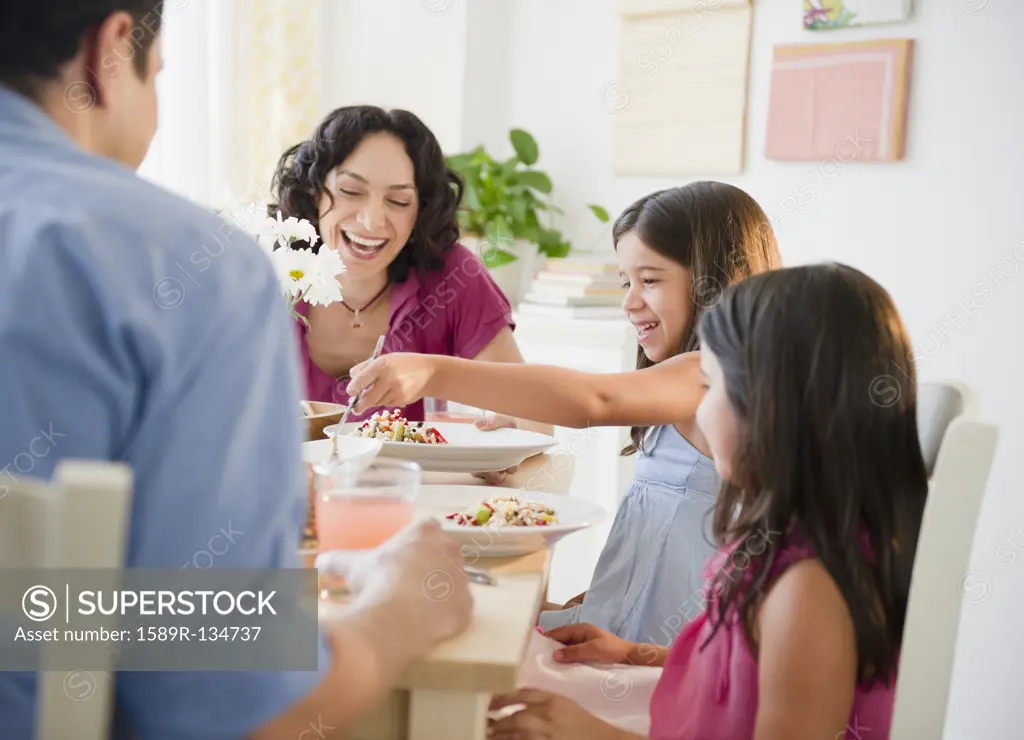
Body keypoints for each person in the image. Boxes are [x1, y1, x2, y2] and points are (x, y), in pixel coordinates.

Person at [0, 4, 472, 738]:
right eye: (159, 77)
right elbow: (231, 708)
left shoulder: (447, 279)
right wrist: (400, 608)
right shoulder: (183, 265)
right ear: (113, 51)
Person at [486, 263, 930, 740]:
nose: (699, 407)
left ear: (775, 408)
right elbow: (743, 668)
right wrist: (637, 652)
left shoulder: (811, 591)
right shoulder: (788, 539)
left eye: (711, 385)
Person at [346, 182, 782, 644]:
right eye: (626, 281)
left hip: (655, 659)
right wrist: (592, 598)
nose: (630, 301)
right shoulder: (682, 388)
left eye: (650, 280)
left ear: (723, 277)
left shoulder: (716, 375)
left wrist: (432, 372)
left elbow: (595, 400)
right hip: (621, 630)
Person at [267, 105, 551, 435]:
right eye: (351, 191)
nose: (371, 221)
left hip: (420, 487)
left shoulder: (453, 277)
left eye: (398, 201)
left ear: (420, 211)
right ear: (314, 191)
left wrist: (511, 432)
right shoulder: (266, 277)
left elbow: (537, 415)